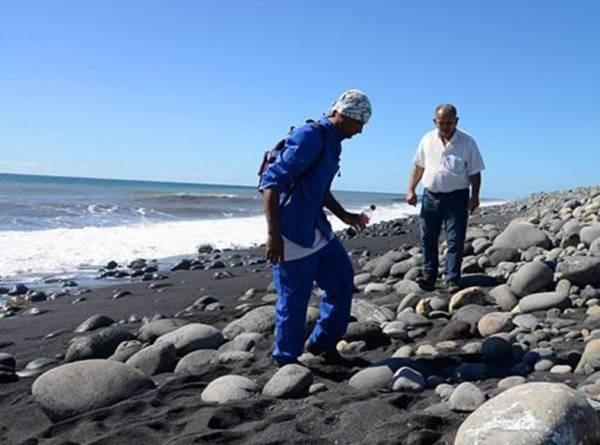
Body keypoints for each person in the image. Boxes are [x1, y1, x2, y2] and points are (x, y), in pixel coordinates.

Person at [259, 89, 372, 366]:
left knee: (342, 281)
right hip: (292, 232)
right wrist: (274, 236)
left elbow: (319, 188)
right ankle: (286, 361)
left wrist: (345, 216)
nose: (360, 131)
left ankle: (323, 343)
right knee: (294, 300)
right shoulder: (310, 136)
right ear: (344, 115)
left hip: (317, 227)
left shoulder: (334, 142)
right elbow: (270, 184)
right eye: (360, 123)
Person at [406, 104, 485, 292]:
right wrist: (411, 189)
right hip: (430, 196)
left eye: (449, 123)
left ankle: (451, 279)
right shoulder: (427, 139)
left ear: (456, 121)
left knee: (455, 240)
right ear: (435, 121)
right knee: (428, 238)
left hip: (457, 197)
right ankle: (429, 276)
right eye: (441, 123)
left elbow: (475, 173)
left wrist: (475, 197)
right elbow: (418, 166)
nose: (445, 127)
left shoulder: (467, 142)